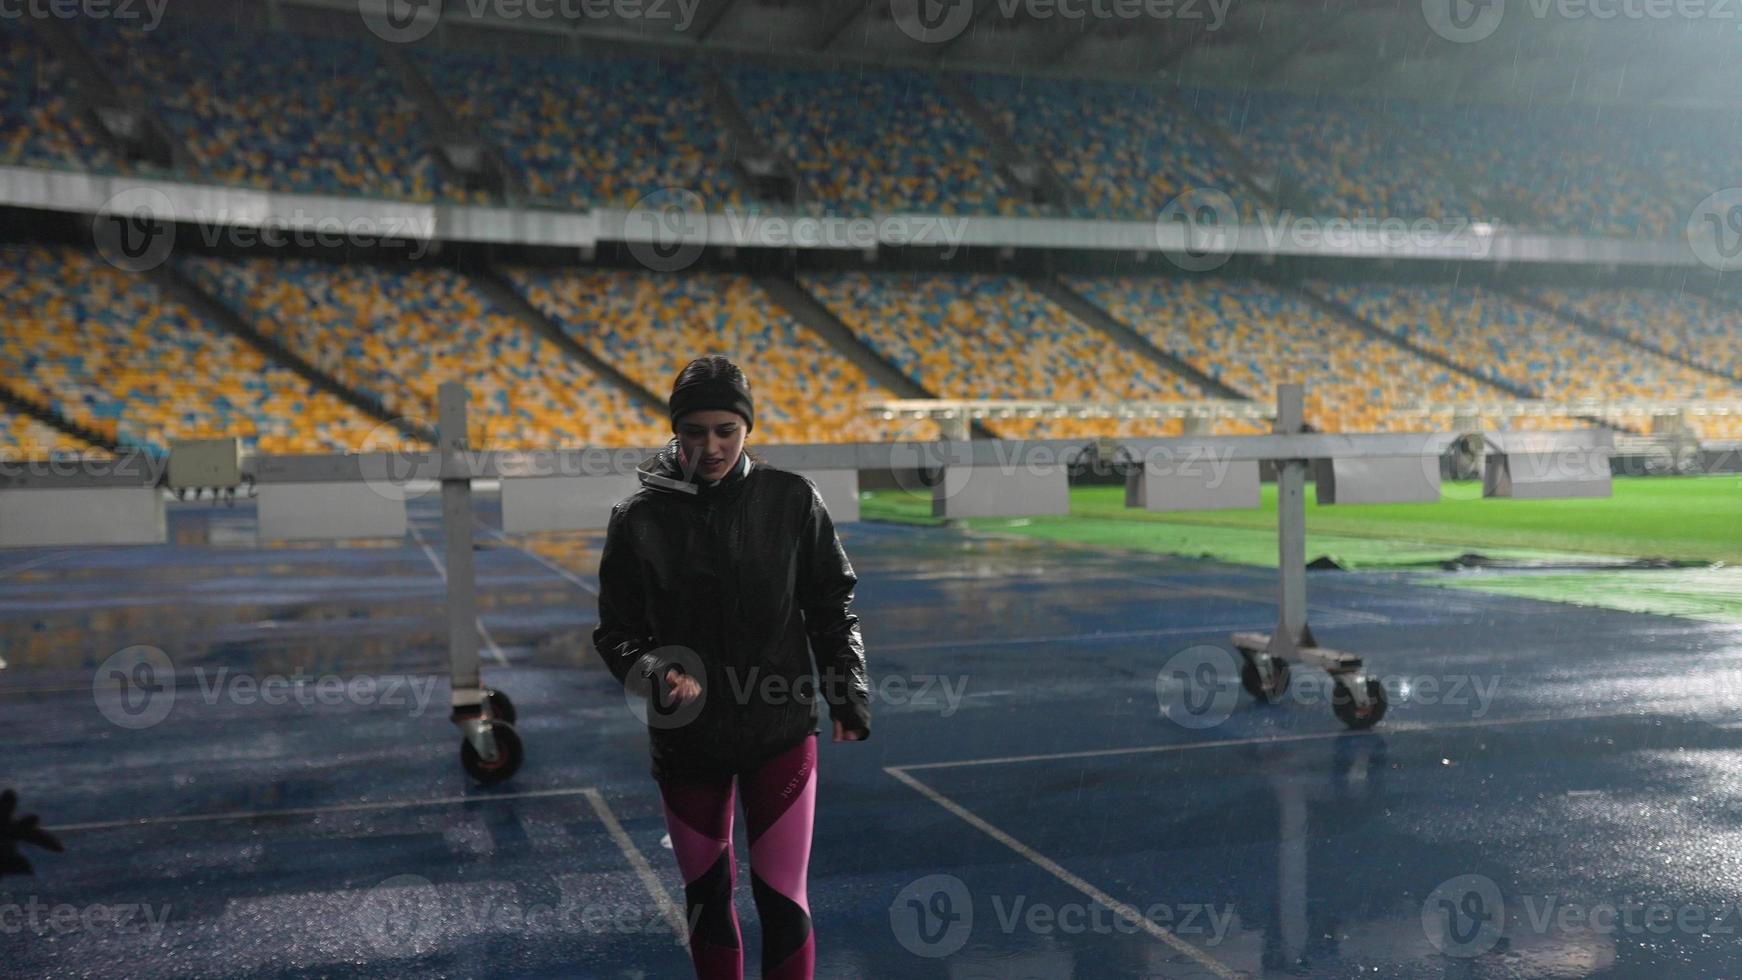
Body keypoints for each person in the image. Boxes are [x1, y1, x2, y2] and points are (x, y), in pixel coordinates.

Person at [592, 354, 872, 980]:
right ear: (675, 431)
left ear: (748, 427)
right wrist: (656, 669)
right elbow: (616, 634)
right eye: (695, 432)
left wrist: (846, 694)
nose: (711, 446)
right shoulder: (638, 519)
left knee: (783, 899)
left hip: (779, 727)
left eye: (727, 430)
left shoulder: (792, 499)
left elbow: (831, 604)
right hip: (687, 735)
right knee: (706, 901)